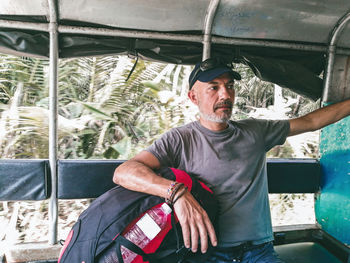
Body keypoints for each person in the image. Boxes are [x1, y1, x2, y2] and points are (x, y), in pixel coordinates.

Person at [113, 57, 350, 262]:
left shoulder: (255, 131)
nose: (225, 94)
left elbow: (311, 122)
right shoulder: (180, 139)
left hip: (259, 252)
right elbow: (124, 172)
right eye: (213, 87)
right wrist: (176, 193)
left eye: (229, 86)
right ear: (193, 97)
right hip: (207, 254)